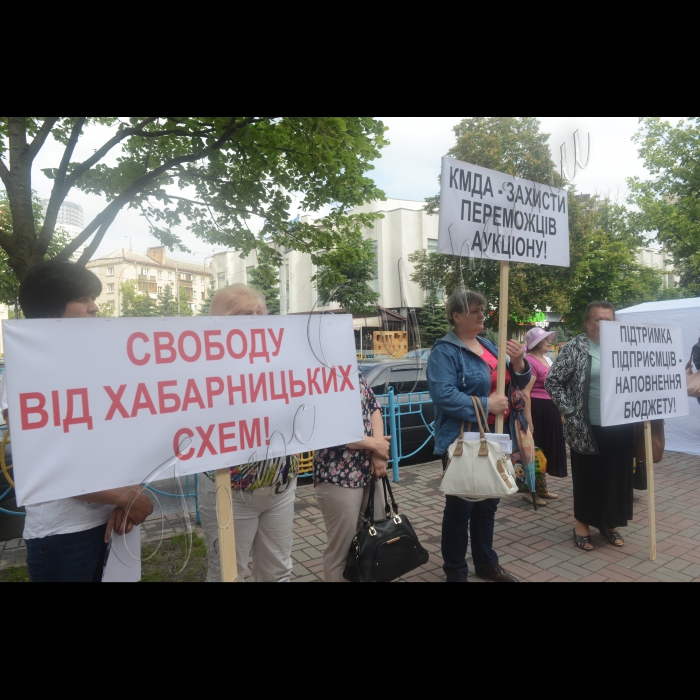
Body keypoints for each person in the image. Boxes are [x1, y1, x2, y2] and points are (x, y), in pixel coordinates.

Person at [1, 262, 153, 583]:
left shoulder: (97, 364)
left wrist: (128, 493)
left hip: (112, 518)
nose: (94, 307)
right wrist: (123, 497)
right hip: (64, 534)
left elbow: (123, 436)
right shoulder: (22, 375)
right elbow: (44, 462)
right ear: (49, 308)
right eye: (83, 299)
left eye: (93, 298)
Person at [427, 290, 531, 584]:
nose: (482, 315)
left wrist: (520, 362)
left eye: (482, 310)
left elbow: (517, 381)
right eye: (474, 311)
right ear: (456, 316)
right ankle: (456, 571)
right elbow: (443, 395)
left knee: (488, 502)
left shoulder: (488, 345)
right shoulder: (444, 352)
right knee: (461, 505)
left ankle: (486, 562)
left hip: (496, 437)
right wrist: (487, 405)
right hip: (463, 439)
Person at [198, 284, 299, 583]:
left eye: (260, 313)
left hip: (281, 485)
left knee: (279, 571)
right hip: (230, 489)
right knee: (228, 574)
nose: (256, 320)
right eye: (245, 314)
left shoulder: (281, 360)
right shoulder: (201, 367)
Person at [546, 301, 633, 552]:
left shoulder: (625, 346)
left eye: (608, 320)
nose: (603, 324)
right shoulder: (575, 348)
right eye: (598, 320)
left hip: (620, 424)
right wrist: (570, 410)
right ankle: (582, 525)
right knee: (589, 477)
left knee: (616, 476)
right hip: (586, 426)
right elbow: (553, 382)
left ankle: (609, 524)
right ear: (587, 323)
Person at [314, 373, 390, 583]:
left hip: (369, 470)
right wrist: (374, 445)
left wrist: (377, 452)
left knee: (375, 541)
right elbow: (326, 427)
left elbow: (374, 408)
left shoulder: (352, 371)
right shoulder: (315, 376)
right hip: (337, 473)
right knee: (342, 550)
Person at [523, 327, 568, 483]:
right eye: (545, 339)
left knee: (546, 449)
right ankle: (531, 490)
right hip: (538, 409)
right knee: (537, 448)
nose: (550, 342)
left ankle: (541, 487)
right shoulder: (529, 361)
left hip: (550, 409)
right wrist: (529, 419)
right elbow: (526, 392)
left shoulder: (545, 359)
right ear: (536, 343)